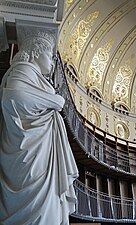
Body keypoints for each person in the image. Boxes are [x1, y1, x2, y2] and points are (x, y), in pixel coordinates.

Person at [0, 31, 78, 225]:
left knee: (47, 208)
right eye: (49, 56)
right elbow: (14, 96)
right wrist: (54, 100)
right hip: (29, 153)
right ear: (35, 52)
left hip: (42, 150)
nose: (52, 63)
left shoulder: (35, 76)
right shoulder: (23, 70)